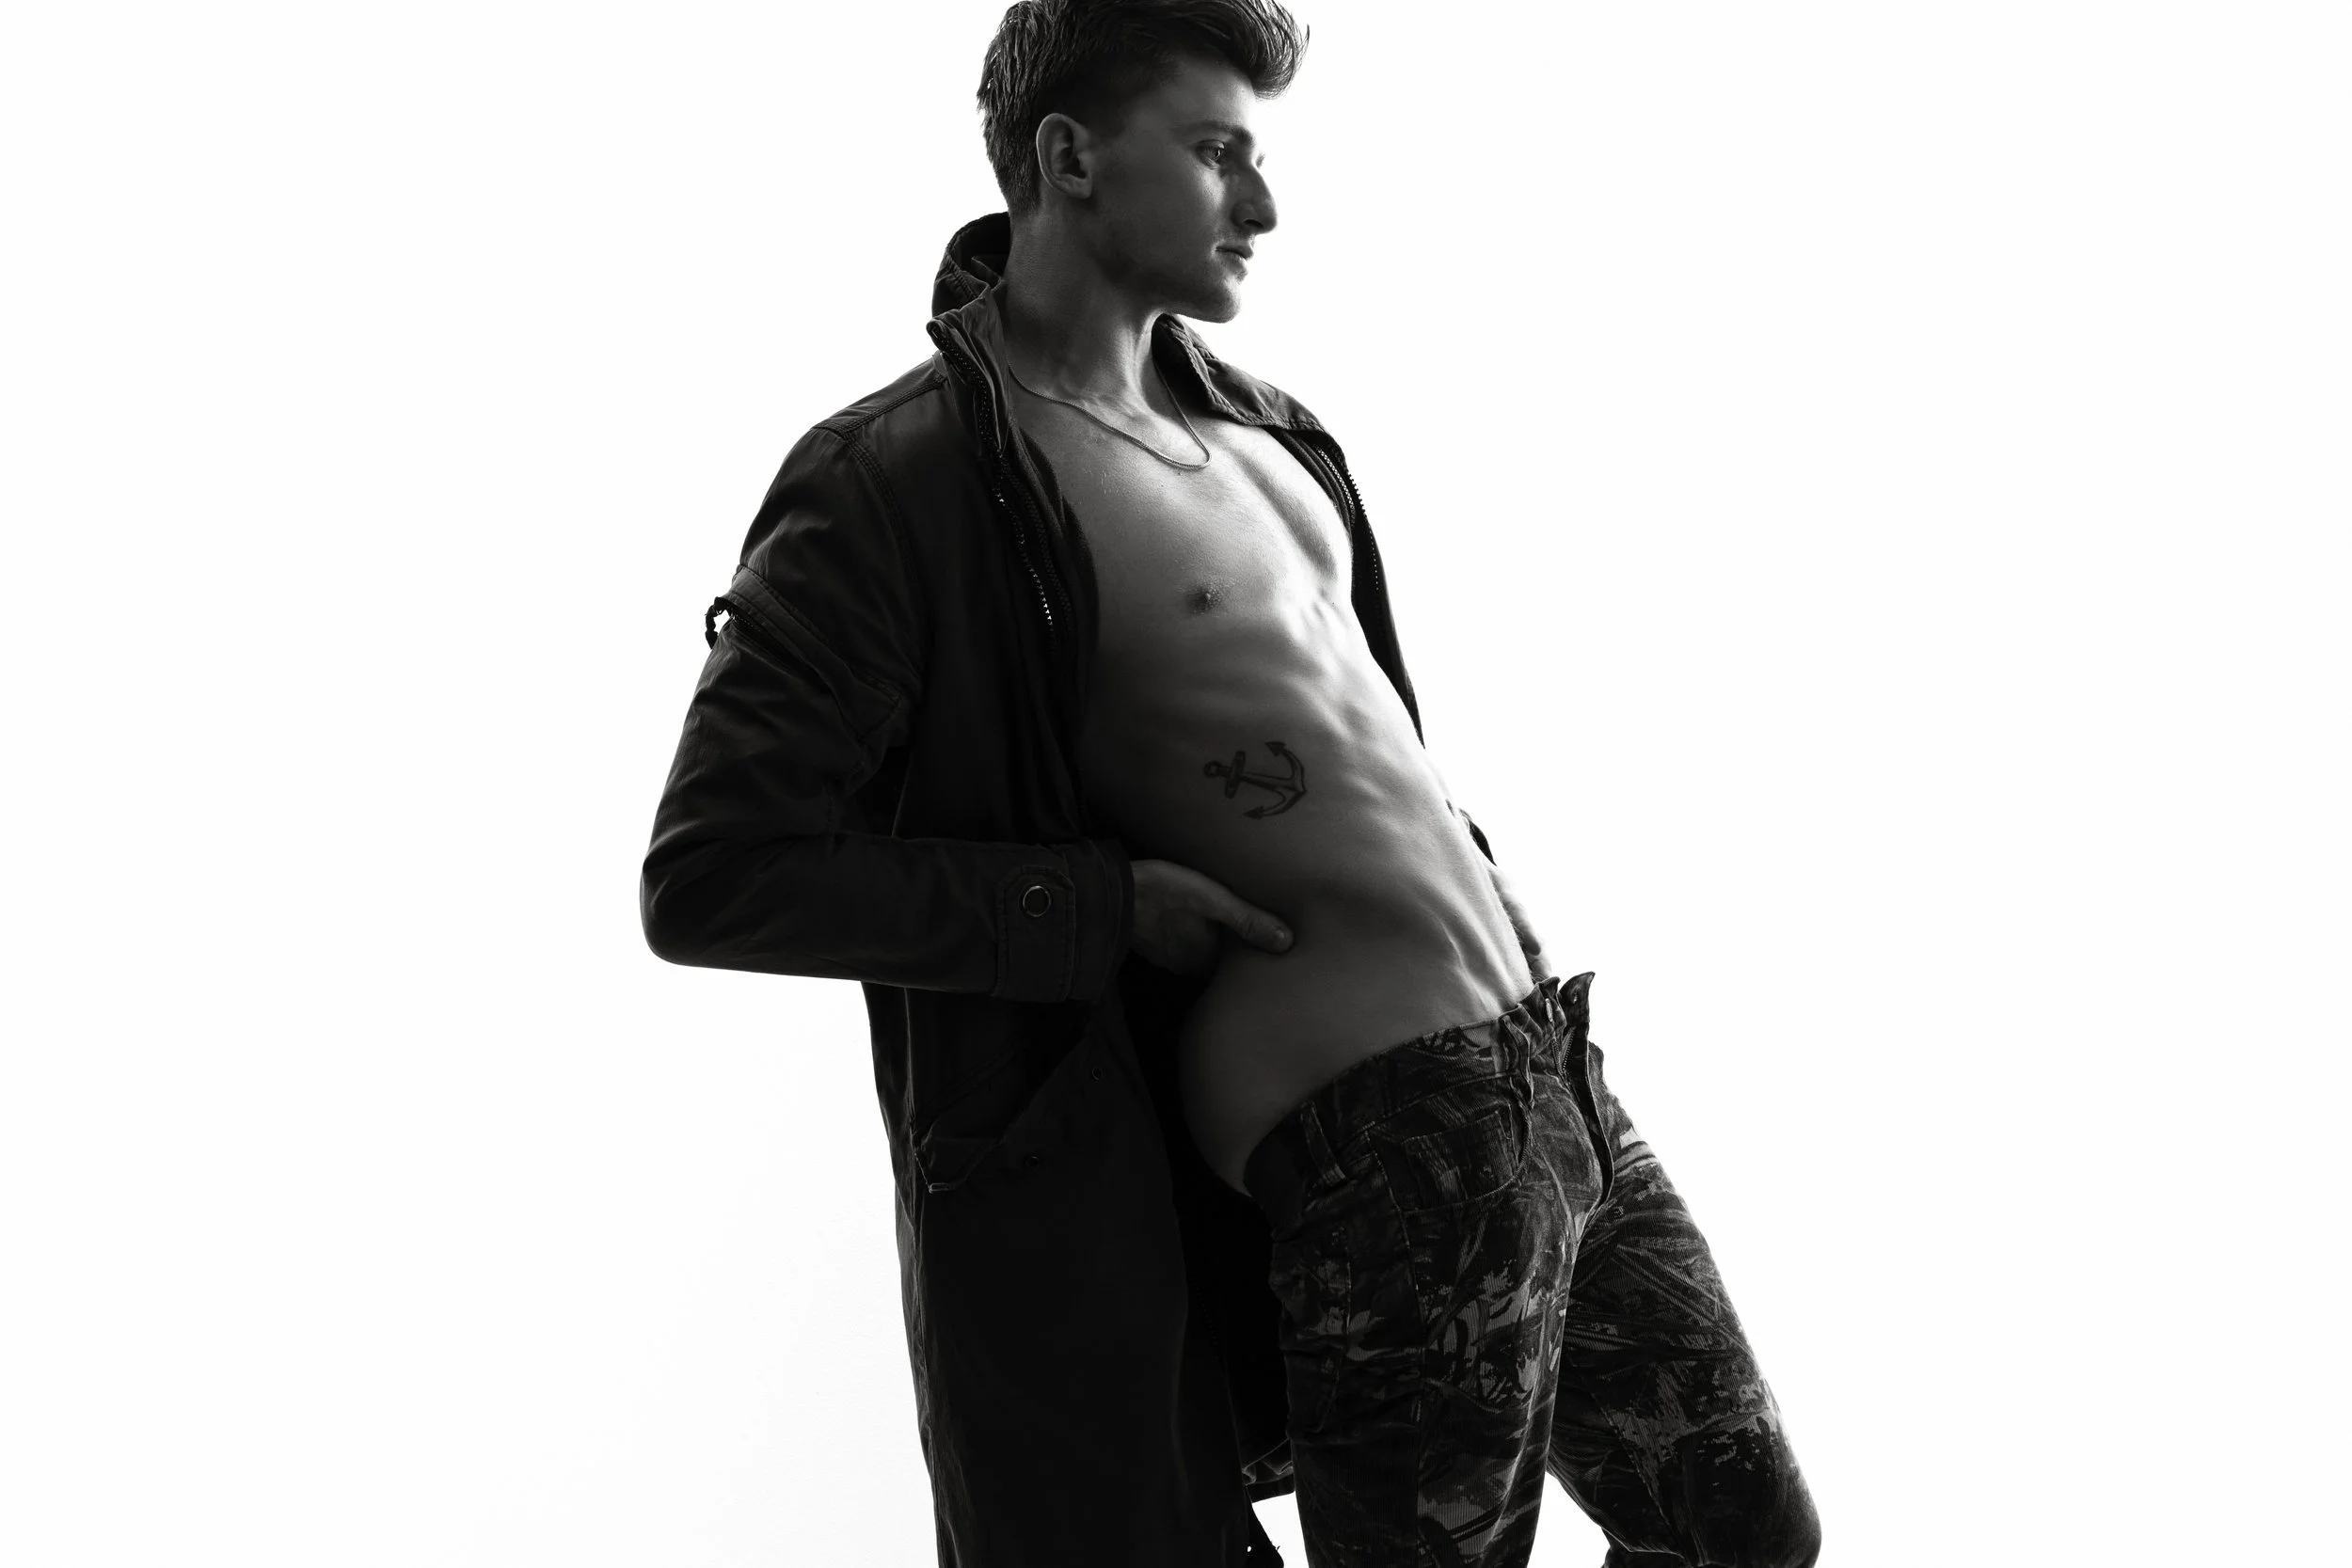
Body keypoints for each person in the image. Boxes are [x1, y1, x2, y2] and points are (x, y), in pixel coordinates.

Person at [642, 2, 1820, 1562]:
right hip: (1381, 1137)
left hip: (1549, 1074)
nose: (1262, 206)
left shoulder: (1274, 437)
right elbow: (716, 871)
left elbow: (1349, 754)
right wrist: (1098, 909)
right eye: (1216, 155)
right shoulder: (902, 481)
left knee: (1746, 1531)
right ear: (1070, 160)